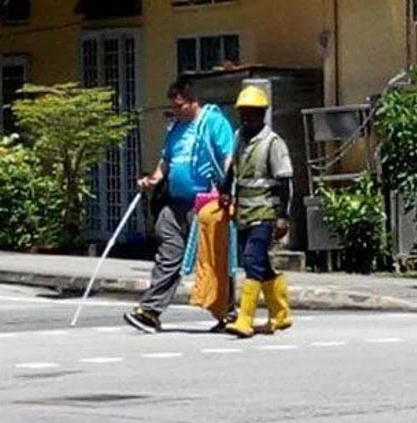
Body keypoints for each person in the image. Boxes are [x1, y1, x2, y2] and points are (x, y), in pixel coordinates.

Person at [123, 78, 235, 333]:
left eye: (180, 106)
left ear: (194, 102)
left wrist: (227, 189)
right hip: (175, 202)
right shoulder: (176, 128)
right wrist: (153, 179)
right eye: (173, 106)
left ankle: (226, 312)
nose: (175, 111)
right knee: (168, 254)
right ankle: (150, 311)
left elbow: (228, 157)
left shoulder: (213, 122)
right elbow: (166, 161)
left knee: (213, 260)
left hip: (206, 202)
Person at [221, 85, 294, 339]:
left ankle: (245, 319)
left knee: (252, 260)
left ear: (262, 114)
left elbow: (285, 182)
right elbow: (232, 169)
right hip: (244, 213)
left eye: (252, 113)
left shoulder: (273, 143)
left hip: (266, 213)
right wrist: (225, 191)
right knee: (258, 262)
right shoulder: (239, 138)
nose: (247, 118)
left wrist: (283, 217)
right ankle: (280, 314)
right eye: (244, 113)